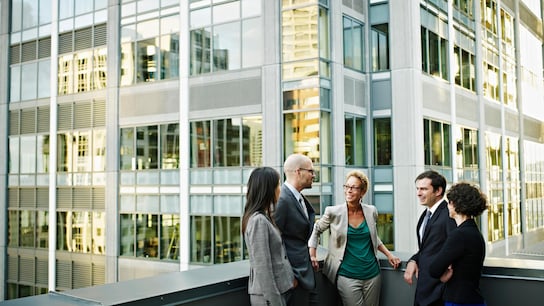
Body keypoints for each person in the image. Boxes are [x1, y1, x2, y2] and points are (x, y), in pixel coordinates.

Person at [308, 170, 401, 306]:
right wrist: (313, 255)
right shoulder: (333, 212)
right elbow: (316, 230)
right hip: (347, 275)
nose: (349, 191)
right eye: (346, 186)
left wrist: (389, 255)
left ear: (362, 192)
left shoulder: (371, 211)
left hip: (372, 274)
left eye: (354, 187)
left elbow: (374, 237)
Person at [242, 167, 295, 306]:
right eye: (278, 184)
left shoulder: (265, 216)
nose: (280, 189)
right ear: (268, 189)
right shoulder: (258, 221)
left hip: (281, 289)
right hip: (269, 296)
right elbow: (262, 266)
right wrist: (274, 300)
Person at [429, 182, 488, 306]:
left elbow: (434, 269)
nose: (448, 206)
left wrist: (444, 273)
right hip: (473, 298)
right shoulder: (474, 232)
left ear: (456, 205)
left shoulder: (459, 235)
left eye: (449, 202)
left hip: (459, 300)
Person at [403, 170, 457, 306]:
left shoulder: (449, 215)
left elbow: (454, 250)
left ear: (438, 191)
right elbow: (427, 247)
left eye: (424, 189)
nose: (418, 193)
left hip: (439, 292)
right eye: (417, 189)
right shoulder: (425, 215)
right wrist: (414, 260)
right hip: (424, 289)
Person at [274, 154, 317, 306]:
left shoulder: (298, 198)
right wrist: (288, 276)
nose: (314, 175)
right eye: (311, 171)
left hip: (304, 275)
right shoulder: (282, 199)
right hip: (293, 280)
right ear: (298, 171)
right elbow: (275, 242)